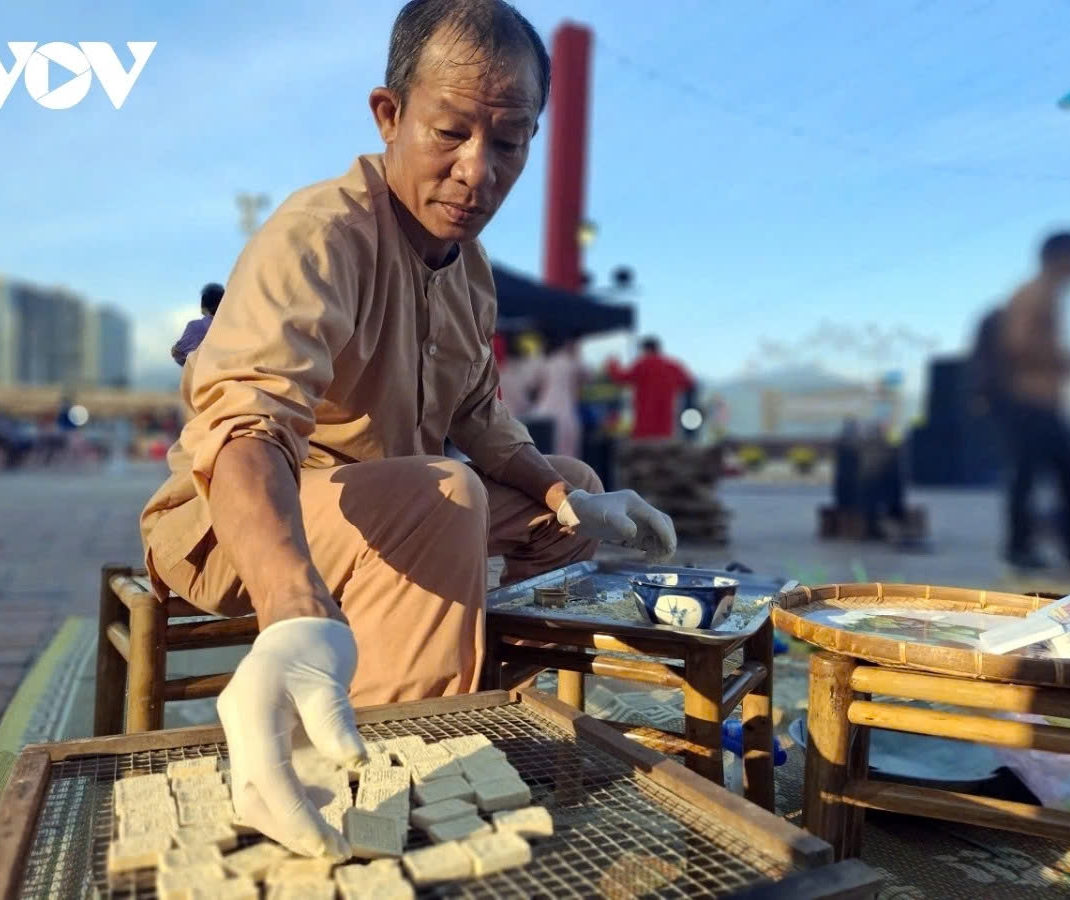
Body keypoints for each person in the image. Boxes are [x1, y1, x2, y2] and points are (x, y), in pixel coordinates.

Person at [139, 0, 676, 861]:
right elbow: (246, 429)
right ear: (389, 115)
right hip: (237, 524)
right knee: (443, 495)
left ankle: (471, 709)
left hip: (389, 509)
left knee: (564, 491)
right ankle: (384, 776)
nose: (478, 171)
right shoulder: (322, 234)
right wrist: (292, 609)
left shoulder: (471, 273)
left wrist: (569, 495)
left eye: (508, 144)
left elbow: (481, 418)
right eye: (451, 132)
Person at [995, 231, 1070, 569]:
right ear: (1061, 257)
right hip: (1030, 401)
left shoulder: (1048, 294)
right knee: (1037, 476)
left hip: (1043, 402)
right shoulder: (1035, 294)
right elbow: (1016, 345)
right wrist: (1060, 359)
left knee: (1062, 475)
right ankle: (1025, 548)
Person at [606, 337, 695, 439]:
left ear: (645, 349)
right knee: (663, 447)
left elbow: (621, 378)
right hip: (666, 425)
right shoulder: (673, 366)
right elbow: (689, 383)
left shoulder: (642, 364)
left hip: (644, 426)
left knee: (644, 450)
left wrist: (612, 365)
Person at [528, 336, 587, 458]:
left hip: (544, 413)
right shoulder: (571, 362)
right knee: (568, 456)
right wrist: (576, 353)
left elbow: (531, 384)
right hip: (567, 414)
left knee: (544, 456)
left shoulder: (544, 362)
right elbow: (587, 375)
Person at [171, 283, 225, 366]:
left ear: (203, 305)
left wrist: (175, 351)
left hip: (207, 376)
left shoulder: (196, 326)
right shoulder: (236, 326)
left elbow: (184, 356)